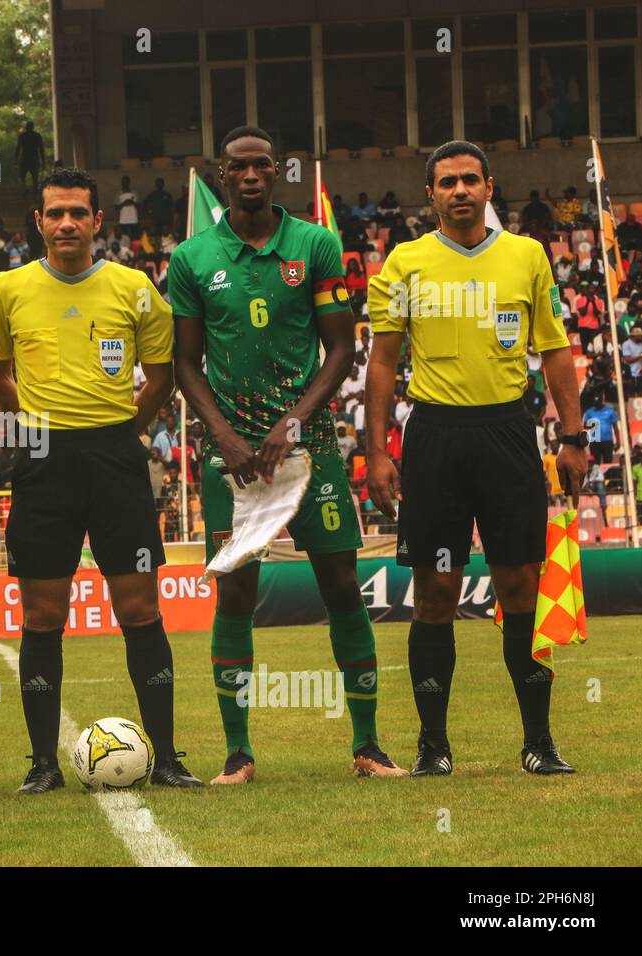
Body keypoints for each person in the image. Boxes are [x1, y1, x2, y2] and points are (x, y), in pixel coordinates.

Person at [170, 125, 404, 784]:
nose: (249, 176)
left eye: (261, 166)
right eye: (237, 167)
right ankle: (238, 755)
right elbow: (185, 364)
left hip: (312, 449)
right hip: (232, 458)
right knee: (237, 596)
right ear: (222, 175)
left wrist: (295, 422)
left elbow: (341, 350)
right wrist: (223, 434)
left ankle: (368, 747)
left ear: (277, 173)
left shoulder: (316, 243)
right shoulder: (192, 257)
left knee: (339, 587)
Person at [366, 140, 587, 778]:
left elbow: (554, 349)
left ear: (490, 187)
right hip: (434, 437)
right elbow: (383, 360)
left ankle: (539, 744)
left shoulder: (527, 255)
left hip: (507, 433)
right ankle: (433, 748)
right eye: (446, 182)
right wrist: (377, 450)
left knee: (519, 585)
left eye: (469, 180)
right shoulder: (404, 263)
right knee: (436, 590)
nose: (459, 190)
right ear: (428, 194)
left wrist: (572, 436)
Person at [0, 167, 200, 792]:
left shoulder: (135, 289)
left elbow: (160, 375)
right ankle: (42, 765)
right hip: (43, 460)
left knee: (139, 607)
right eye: (55, 214)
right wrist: (30, 427)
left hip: (115, 458)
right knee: (43, 613)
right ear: (39, 221)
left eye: (79, 212)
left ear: (99, 222)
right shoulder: (7, 290)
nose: (67, 223)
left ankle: (166, 758)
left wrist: (121, 428)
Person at [582, 393, 619, 465]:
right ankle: (596, 476)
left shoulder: (610, 411)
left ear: (602, 401)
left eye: (598, 403)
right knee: (595, 463)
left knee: (607, 462)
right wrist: (591, 424)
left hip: (607, 441)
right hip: (595, 441)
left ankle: (607, 476)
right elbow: (585, 426)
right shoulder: (589, 412)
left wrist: (618, 442)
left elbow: (615, 426)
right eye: (595, 403)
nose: (596, 404)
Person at [15, 120, 45, 197]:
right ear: (32, 127)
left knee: (22, 176)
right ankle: (34, 192)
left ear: (26, 127)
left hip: (25, 158)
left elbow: (18, 148)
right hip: (34, 158)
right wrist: (43, 160)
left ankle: (25, 190)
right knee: (34, 177)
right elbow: (41, 149)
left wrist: (16, 159)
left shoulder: (22, 136)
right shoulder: (37, 136)